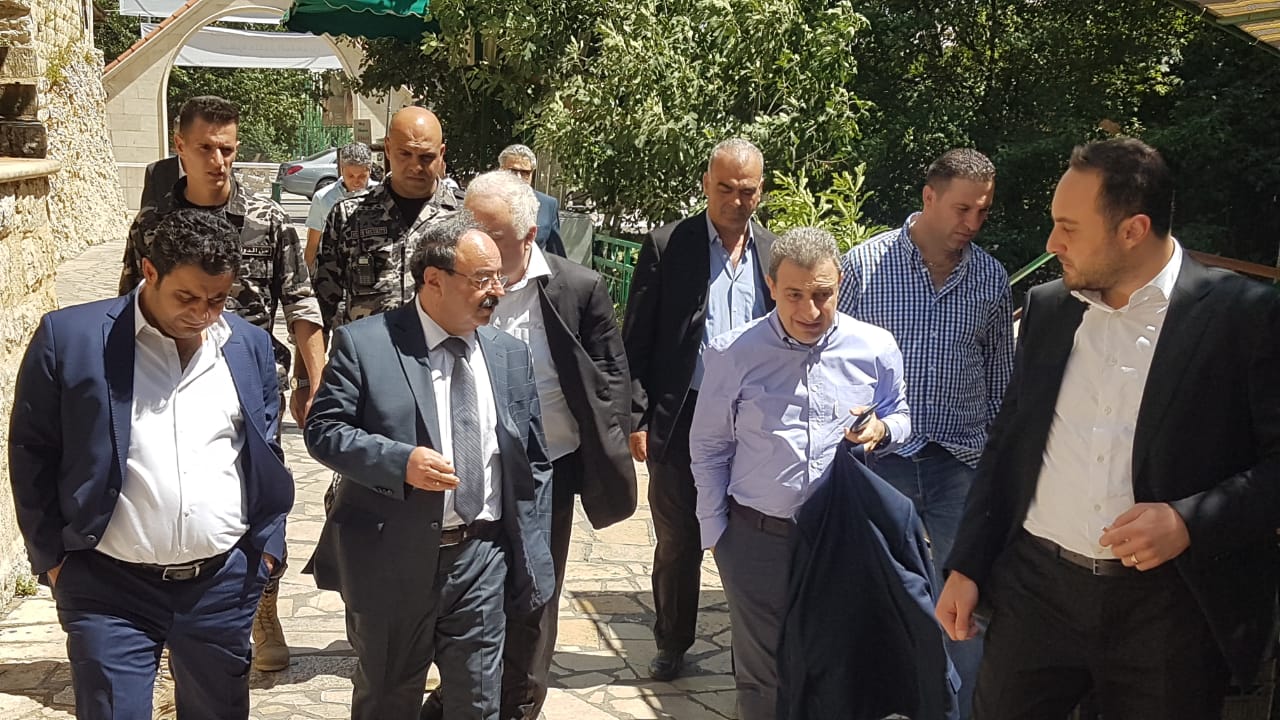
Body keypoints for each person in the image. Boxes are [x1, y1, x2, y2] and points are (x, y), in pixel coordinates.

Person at [936, 137, 1280, 718]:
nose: (1052, 244)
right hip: (1035, 596)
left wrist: (1188, 521)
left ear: (1133, 230)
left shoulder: (1246, 317)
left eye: (1069, 228)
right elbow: (1008, 445)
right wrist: (968, 563)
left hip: (1168, 611)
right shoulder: (1049, 309)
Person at [9, 209, 295, 720]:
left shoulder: (248, 346)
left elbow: (265, 450)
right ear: (149, 271)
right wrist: (52, 558)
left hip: (222, 585)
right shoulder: (71, 339)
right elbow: (32, 450)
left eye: (217, 300)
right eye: (186, 297)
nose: (202, 314)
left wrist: (265, 549)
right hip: (107, 588)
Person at [304, 214, 556, 720]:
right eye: (481, 279)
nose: (496, 291)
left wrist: (529, 548)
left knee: (478, 702)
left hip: (481, 556)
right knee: (388, 698)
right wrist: (399, 462)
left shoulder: (508, 354)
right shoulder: (367, 344)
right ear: (434, 280)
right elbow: (324, 431)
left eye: (499, 277)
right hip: (392, 559)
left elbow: (533, 460)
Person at [419, 171, 637, 720]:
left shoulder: (575, 287)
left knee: (535, 594)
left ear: (529, 234)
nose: (476, 241)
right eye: (467, 226)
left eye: (491, 232)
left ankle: (519, 702)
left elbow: (610, 375)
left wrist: (610, 444)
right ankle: (461, 691)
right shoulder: (447, 279)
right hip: (464, 473)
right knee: (464, 593)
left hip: (546, 473)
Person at [118, 94, 324, 672]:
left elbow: (301, 303)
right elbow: (126, 305)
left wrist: (315, 381)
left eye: (228, 149)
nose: (218, 160)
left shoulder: (268, 220)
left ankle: (263, 605)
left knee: (262, 497)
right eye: (206, 148)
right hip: (166, 387)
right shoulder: (153, 225)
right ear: (179, 147)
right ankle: (166, 615)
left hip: (251, 390)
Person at [691, 226, 910, 720]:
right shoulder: (732, 353)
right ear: (771, 286)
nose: (810, 311)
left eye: (822, 295)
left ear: (840, 285)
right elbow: (708, 447)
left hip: (842, 536)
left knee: (835, 665)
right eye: (794, 295)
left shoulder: (875, 347)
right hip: (757, 539)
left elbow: (901, 415)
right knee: (764, 676)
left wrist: (883, 429)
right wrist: (717, 535)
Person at [838, 148, 1013, 717]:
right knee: (874, 595)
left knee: (965, 604)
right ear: (929, 198)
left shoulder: (990, 278)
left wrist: (998, 467)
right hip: (882, 460)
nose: (973, 223)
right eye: (963, 209)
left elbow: (1001, 381)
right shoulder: (864, 267)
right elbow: (831, 361)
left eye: (982, 212)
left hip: (960, 463)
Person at [623, 138, 777, 681]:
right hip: (683, 413)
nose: (736, 200)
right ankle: (672, 641)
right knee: (679, 538)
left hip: (756, 419)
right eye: (725, 188)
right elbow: (636, 340)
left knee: (752, 537)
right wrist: (638, 417)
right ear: (707, 184)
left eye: (747, 190)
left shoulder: (774, 252)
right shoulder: (670, 245)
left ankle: (751, 650)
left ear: (761, 190)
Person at [312, 106, 464, 331]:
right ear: (388, 148)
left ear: (441, 153)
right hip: (369, 349)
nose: (415, 166)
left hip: (444, 349)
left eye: (426, 157)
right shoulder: (349, 215)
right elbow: (322, 303)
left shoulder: (464, 216)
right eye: (405, 154)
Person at [304, 142, 378, 270]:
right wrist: (306, 276)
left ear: (370, 169)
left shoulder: (381, 195)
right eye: (350, 176)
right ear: (341, 169)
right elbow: (313, 243)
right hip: (337, 271)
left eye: (362, 176)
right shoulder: (323, 198)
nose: (356, 181)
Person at [498, 143, 566, 257]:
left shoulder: (547, 205)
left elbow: (556, 254)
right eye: (512, 171)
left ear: (532, 173)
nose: (518, 177)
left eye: (525, 173)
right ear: (501, 170)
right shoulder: (485, 201)